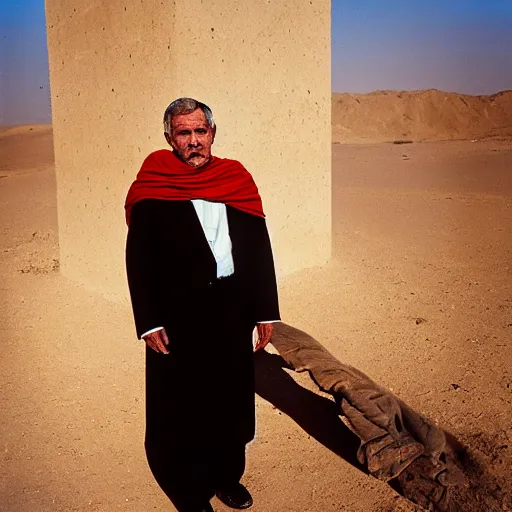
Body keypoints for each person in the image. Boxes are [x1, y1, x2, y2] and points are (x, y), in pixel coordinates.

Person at [125, 98, 280, 512]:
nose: (194, 141)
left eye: (200, 131)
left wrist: (265, 309)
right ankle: (191, 491)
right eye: (184, 133)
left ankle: (227, 477)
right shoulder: (153, 183)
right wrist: (149, 320)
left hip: (231, 310)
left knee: (229, 398)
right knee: (182, 407)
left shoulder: (236, 178)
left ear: (212, 133)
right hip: (177, 316)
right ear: (170, 138)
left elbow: (257, 247)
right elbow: (138, 258)